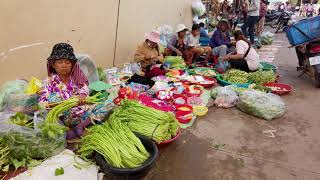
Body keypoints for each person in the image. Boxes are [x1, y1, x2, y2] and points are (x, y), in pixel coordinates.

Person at [39, 43, 112, 140]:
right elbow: (42, 102)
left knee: (109, 104)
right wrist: (54, 104)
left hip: (82, 114)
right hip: (64, 118)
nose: (64, 65)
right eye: (60, 62)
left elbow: (85, 92)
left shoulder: (77, 78)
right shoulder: (49, 82)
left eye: (67, 62)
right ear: (53, 64)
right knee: (54, 97)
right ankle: (66, 129)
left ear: (72, 64)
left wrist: (83, 98)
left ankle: (81, 126)